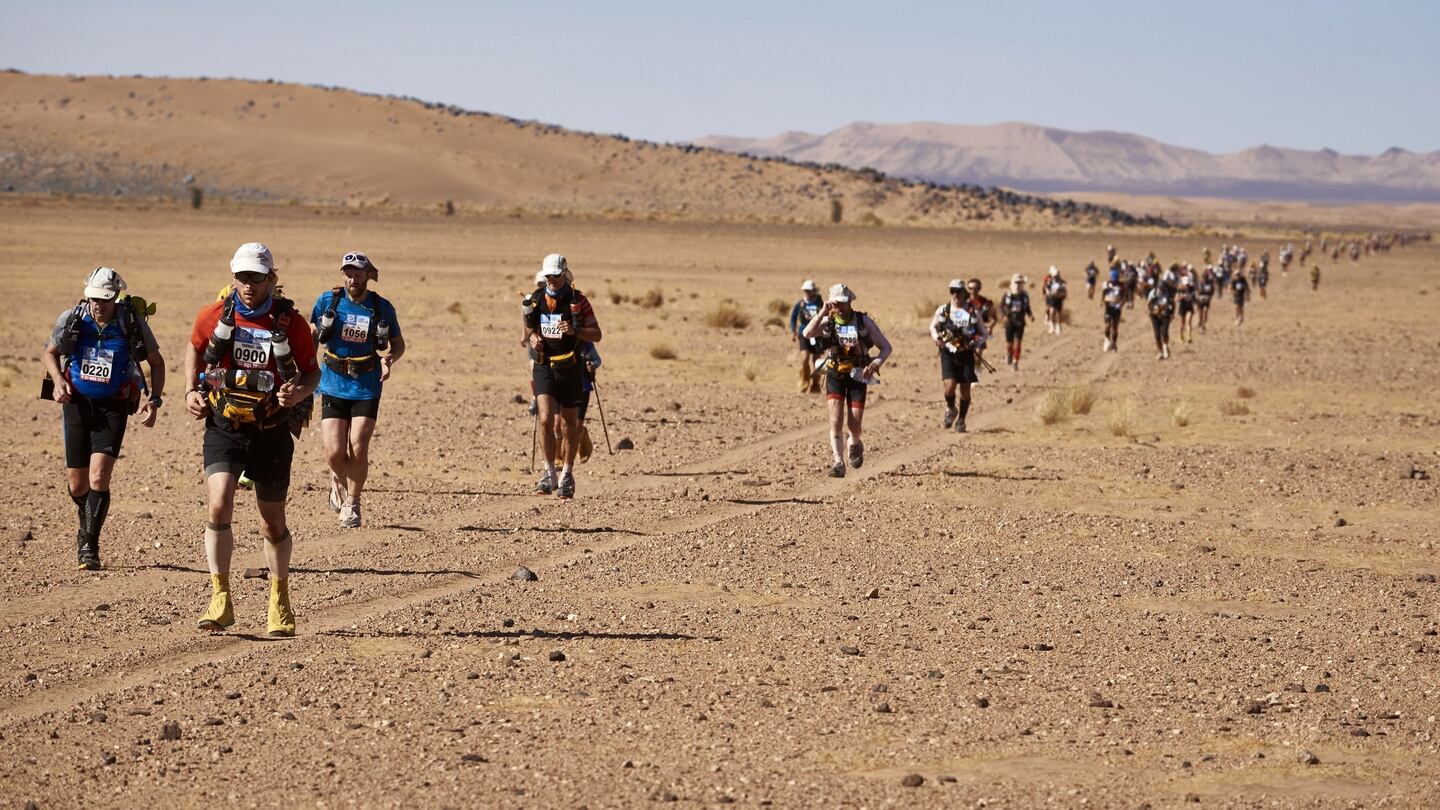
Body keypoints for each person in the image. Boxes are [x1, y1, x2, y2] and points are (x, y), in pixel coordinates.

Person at [185, 243, 319, 636]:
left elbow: (312, 373)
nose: (248, 285)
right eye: (242, 277)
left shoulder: (290, 322)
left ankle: (279, 599)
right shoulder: (214, 315)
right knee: (219, 504)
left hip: (271, 430)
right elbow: (194, 349)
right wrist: (190, 391)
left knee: (270, 522)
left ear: (271, 280)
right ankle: (220, 598)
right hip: (225, 426)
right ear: (233, 278)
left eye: (256, 278)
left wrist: (298, 393)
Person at [40, 268, 166, 570]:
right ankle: (87, 520)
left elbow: (157, 363)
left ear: (116, 298)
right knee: (77, 483)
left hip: (113, 406)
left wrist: (155, 400)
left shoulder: (129, 322)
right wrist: (57, 381)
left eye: (106, 300)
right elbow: (50, 352)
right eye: (95, 298)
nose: (99, 305)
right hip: (77, 404)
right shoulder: (72, 319)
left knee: (99, 477)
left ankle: (89, 545)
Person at [310, 251, 405, 529]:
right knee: (334, 452)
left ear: (367, 275)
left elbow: (398, 344)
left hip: (367, 383)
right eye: (348, 272)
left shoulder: (381, 307)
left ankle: (352, 504)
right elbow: (314, 334)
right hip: (332, 381)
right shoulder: (328, 301)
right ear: (343, 274)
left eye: (358, 273)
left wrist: (389, 360)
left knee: (358, 445)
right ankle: (338, 476)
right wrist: (306, 366)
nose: (353, 278)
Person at [523, 253, 601, 499]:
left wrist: (576, 331)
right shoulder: (536, 299)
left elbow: (596, 334)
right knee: (545, 419)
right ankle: (549, 474)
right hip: (544, 365)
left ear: (564, 274)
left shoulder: (579, 301)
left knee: (569, 424)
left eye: (555, 276)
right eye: (548, 276)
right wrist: (533, 338)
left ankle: (567, 473)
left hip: (570, 367)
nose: (552, 280)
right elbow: (529, 330)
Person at [803, 283, 892, 477]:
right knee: (835, 420)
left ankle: (855, 442)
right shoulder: (827, 322)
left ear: (850, 301)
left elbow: (886, 347)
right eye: (836, 303)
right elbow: (807, 333)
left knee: (854, 424)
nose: (840, 307)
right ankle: (838, 462)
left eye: (843, 303)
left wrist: (876, 363)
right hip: (835, 373)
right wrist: (822, 313)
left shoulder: (862, 321)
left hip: (858, 375)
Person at [929, 279, 988, 433]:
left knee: (965, 389)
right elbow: (933, 327)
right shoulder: (943, 310)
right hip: (948, 352)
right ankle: (950, 408)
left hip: (966, 354)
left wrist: (974, 343)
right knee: (949, 386)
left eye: (959, 291)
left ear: (964, 293)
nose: (956, 295)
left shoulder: (973, 311)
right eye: (952, 291)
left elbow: (983, 333)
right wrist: (937, 339)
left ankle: (961, 420)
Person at [788, 280, 824, 394]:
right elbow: (793, 317)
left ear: (814, 291)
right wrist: (793, 331)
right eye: (805, 291)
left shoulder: (820, 304)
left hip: (817, 335)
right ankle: (804, 380)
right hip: (804, 334)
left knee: (817, 361)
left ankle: (815, 384)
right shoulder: (800, 304)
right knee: (804, 358)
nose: (807, 293)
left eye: (809, 290)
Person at [1000, 274, 1034, 370]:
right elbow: (1001, 307)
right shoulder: (1007, 295)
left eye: (1020, 283)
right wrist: (1004, 316)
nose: (1018, 285)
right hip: (1009, 322)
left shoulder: (1024, 296)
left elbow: (1027, 307)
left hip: (1020, 322)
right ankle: (1009, 354)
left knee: (1018, 343)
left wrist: (1030, 315)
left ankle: (1015, 362)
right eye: (1016, 282)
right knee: (1009, 343)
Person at [963, 278, 997, 367]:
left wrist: (990, 327)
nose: (973, 291)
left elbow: (994, 318)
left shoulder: (985, 302)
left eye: (976, 288)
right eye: (970, 288)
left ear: (979, 288)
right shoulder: (963, 302)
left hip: (980, 332)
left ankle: (976, 374)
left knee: (978, 354)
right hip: (966, 332)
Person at [1147, 282, 1175, 360]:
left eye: (1162, 289)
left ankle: (1165, 346)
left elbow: (1172, 304)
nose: (1161, 290)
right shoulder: (1153, 293)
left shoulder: (1168, 294)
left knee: (1165, 332)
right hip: (1154, 316)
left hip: (1165, 316)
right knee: (1157, 335)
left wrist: (1172, 313)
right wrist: (1151, 311)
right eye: (1160, 288)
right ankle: (1160, 351)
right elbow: (1148, 304)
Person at [1101, 269, 1124, 353]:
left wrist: (1121, 304)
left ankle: (1114, 344)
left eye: (1115, 277)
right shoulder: (1107, 285)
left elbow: (1124, 296)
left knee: (1114, 327)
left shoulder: (1121, 286)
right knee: (1107, 325)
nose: (1113, 279)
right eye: (1112, 277)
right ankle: (1107, 339)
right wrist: (1104, 301)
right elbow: (1103, 295)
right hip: (1108, 308)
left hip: (1117, 309)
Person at [1175, 274, 1197, 343]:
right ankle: (1181, 336)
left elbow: (1195, 298)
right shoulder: (1180, 289)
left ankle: (1189, 336)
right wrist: (1182, 297)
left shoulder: (1192, 288)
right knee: (1182, 323)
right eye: (1185, 284)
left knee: (1188, 321)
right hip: (1182, 307)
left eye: (1187, 284)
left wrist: (1195, 304)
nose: (1187, 286)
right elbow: (1176, 299)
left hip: (1189, 306)